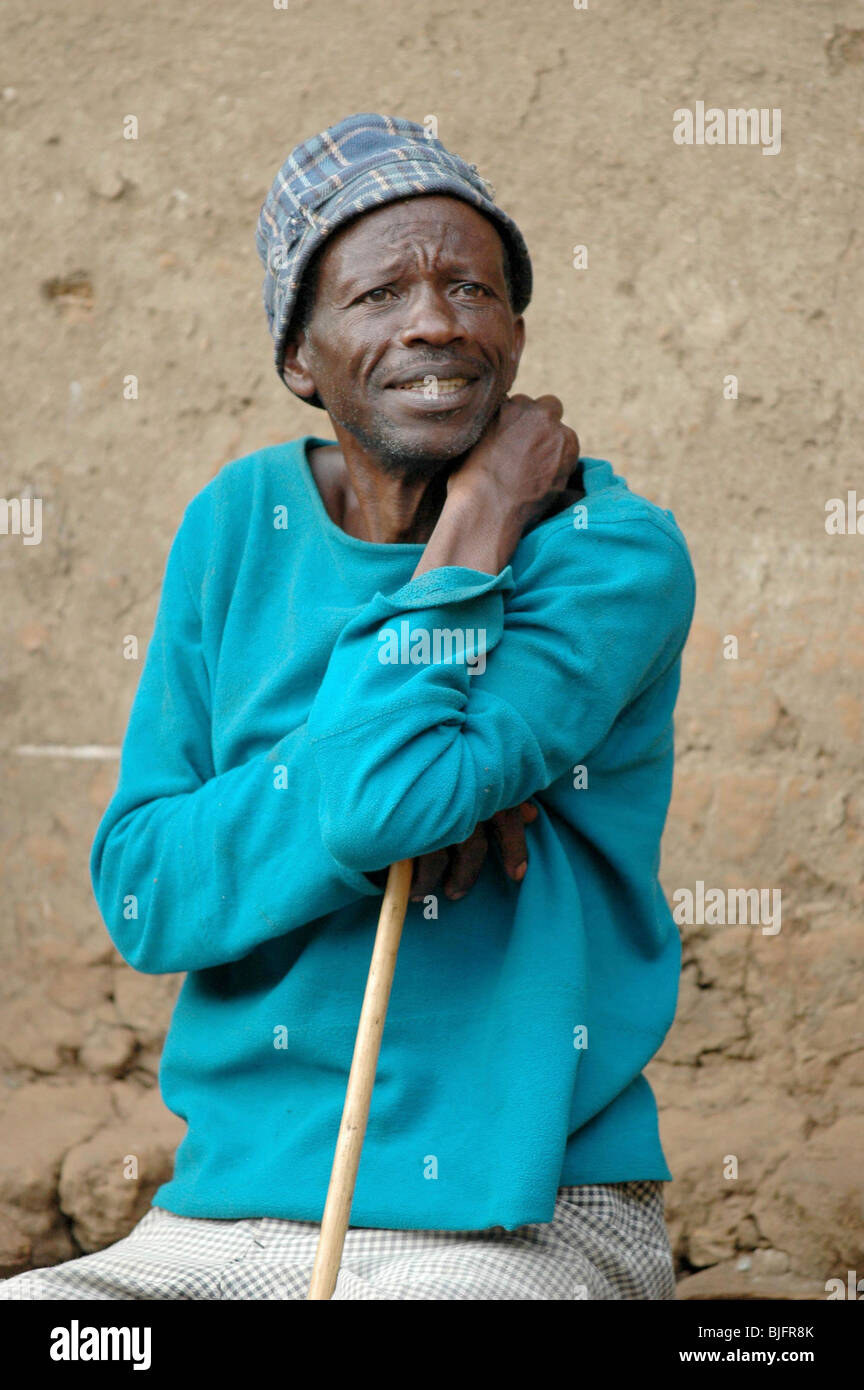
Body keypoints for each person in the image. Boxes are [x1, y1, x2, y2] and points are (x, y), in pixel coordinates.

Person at [1, 113, 695, 1301]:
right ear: (299, 358)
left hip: (513, 1224)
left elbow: (384, 797)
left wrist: (476, 518)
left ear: (516, 334)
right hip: (221, 1221)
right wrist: (371, 794)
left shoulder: (610, 554)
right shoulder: (237, 523)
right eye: (379, 294)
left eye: (472, 285)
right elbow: (145, 889)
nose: (436, 320)